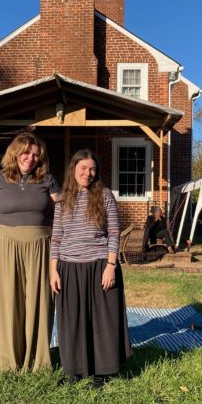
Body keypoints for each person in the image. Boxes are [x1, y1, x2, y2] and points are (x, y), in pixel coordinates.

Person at [0, 132, 61, 371]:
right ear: (15, 153)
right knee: (8, 301)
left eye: (36, 154)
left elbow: (65, 212)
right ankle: (5, 358)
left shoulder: (48, 180)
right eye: (26, 152)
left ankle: (37, 358)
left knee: (40, 300)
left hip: (40, 246)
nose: (31, 158)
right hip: (5, 245)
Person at [50, 149, 132, 387]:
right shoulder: (63, 199)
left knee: (100, 321)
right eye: (83, 168)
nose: (88, 173)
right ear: (73, 170)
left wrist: (110, 265)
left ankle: (101, 372)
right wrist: (53, 269)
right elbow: (56, 237)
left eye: (92, 169)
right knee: (72, 321)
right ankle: (74, 371)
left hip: (99, 265)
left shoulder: (105, 196)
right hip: (69, 267)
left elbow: (114, 232)